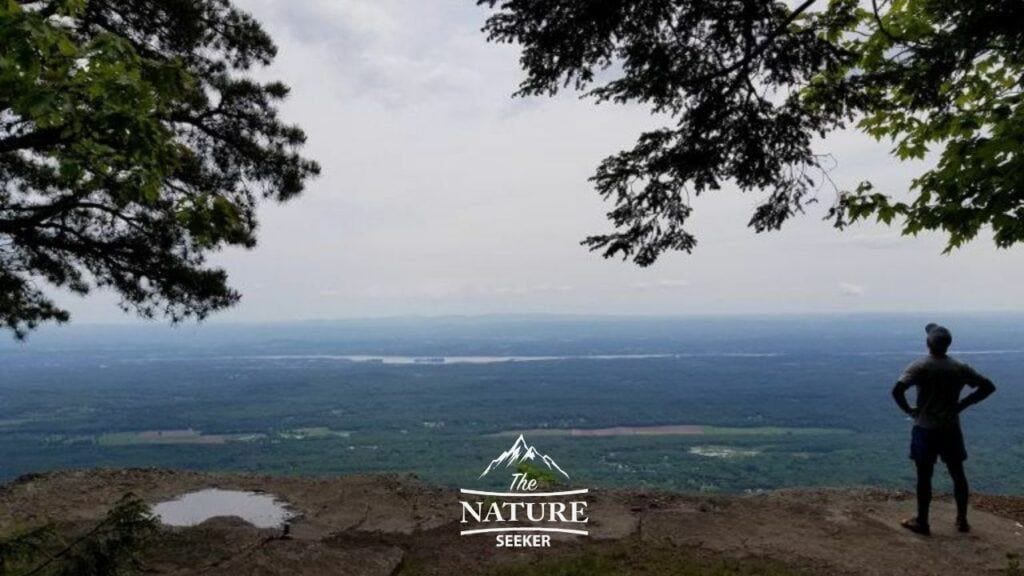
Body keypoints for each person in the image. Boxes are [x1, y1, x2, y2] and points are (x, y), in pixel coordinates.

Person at [891, 323, 996, 536]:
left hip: (925, 428)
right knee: (957, 473)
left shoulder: (920, 367)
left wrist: (909, 410)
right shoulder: (959, 368)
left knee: (924, 476)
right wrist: (962, 405)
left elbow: (897, 390)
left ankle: (922, 522)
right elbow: (988, 387)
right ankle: (962, 520)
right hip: (950, 428)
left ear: (927, 343)